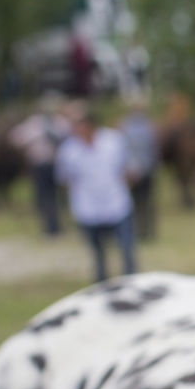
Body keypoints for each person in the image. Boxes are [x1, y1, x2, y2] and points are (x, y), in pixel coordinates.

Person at [55, 109, 136, 283]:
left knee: (127, 249)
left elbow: (126, 167)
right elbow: (64, 177)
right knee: (98, 253)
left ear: (90, 125)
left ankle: (132, 283)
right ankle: (102, 285)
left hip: (117, 203)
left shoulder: (113, 141)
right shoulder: (69, 150)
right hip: (88, 208)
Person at [9, 94, 69, 236]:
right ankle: (48, 227)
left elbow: (68, 137)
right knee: (42, 197)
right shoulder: (33, 123)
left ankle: (58, 226)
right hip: (39, 165)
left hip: (56, 164)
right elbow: (15, 138)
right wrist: (31, 142)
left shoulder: (60, 122)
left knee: (57, 197)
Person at [119, 99, 160, 242]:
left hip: (146, 170)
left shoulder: (149, 127)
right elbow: (123, 150)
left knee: (146, 202)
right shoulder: (125, 127)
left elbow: (153, 150)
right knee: (132, 203)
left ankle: (148, 231)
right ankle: (136, 231)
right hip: (132, 172)